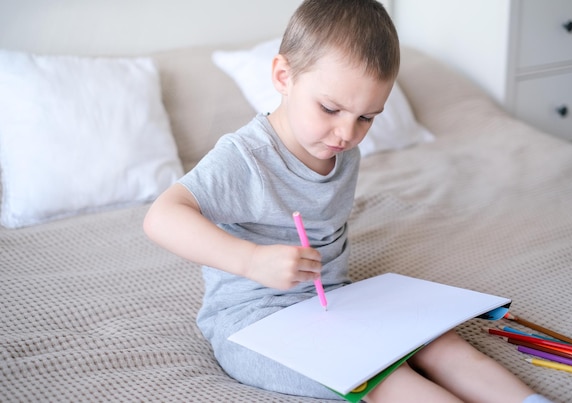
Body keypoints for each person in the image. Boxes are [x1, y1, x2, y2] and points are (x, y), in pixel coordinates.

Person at [144, 1, 550, 402]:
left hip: (336, 302)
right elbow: (161, 217)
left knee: (441, 344)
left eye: (367, 117)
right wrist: (251, 260)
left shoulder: (343, 151)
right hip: (255, 322)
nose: (346, 133)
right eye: (330, 108)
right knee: (384, 378)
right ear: (284, 76)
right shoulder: (244, 158)